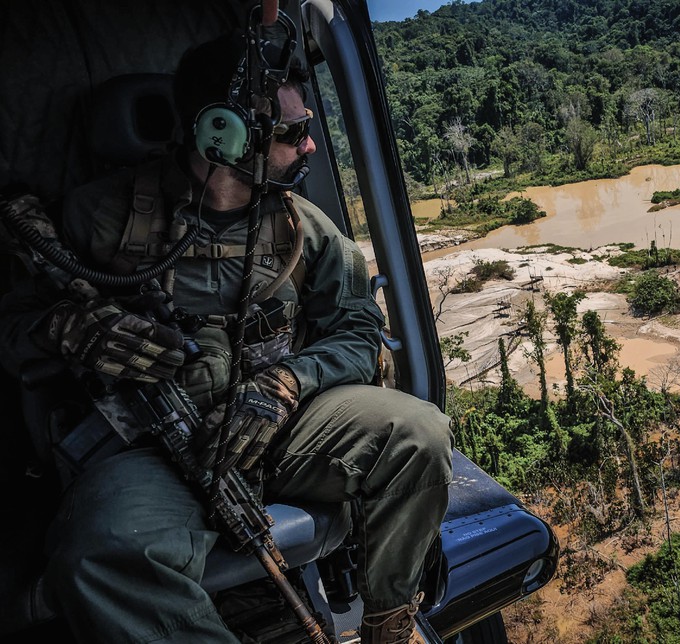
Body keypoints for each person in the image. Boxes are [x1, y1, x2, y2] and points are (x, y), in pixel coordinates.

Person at [0, 30, 452, 644]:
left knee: (417, 432)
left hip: (277, 426)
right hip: (147, 444)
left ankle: (390, 622)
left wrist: (289, 383)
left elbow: (358, 327)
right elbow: (15, 329)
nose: (310, 145)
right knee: (97, 554)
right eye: (293, 133)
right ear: (225, 134)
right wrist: (71, 329)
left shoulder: (302, 229)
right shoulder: (94, 218)